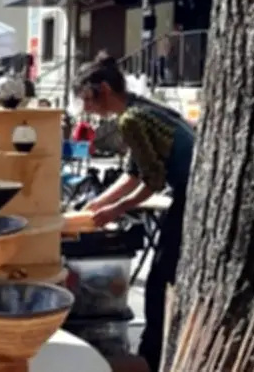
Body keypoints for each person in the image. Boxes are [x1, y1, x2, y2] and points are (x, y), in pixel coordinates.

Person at [67, 51, 194, 371]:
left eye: (87, 99)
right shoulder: (142, 107)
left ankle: (152, 359)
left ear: (104, 90)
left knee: (159, 280)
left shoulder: (131, 119)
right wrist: (98, 203)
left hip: (191, 196)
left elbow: (152, 181)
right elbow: (133, 172)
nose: (87, 108)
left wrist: (116, 209)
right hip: (191, 193)